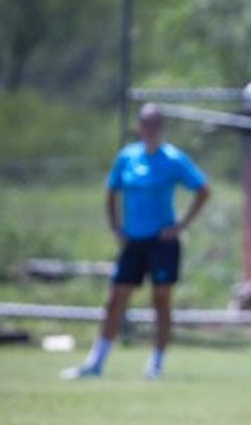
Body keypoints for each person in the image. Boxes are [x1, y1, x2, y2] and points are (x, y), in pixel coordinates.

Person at [62, 104, 210, 380]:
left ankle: (155, 364)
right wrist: (115, 227)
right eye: (146, 124)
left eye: (156, 125)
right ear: (139, 127)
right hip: (133, 241)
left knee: (161, 300)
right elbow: (111, 192)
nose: (151, 130)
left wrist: (181, 225)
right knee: (115, 299)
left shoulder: (174, 159)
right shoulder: (127, 157)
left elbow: (203, 189)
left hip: (162, 242)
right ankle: (95, 363)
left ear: (162, 128)